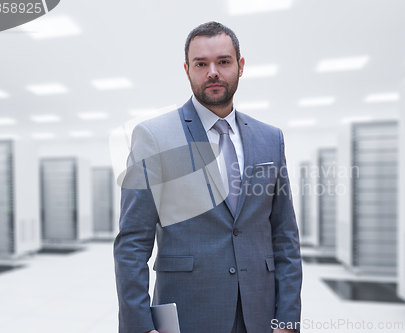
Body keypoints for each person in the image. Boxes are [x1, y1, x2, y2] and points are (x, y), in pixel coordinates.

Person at [114, 21, 302, 333]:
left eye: (223, 62)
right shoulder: (154, 137)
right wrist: (140, 326)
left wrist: (288, 319)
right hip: (188, 311)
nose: (212, 72)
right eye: (201, 64)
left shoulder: (270, 139)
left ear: (240, 67)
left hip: (260, 313)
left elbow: (285, 236)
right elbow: (132, 241)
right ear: (187, 69)